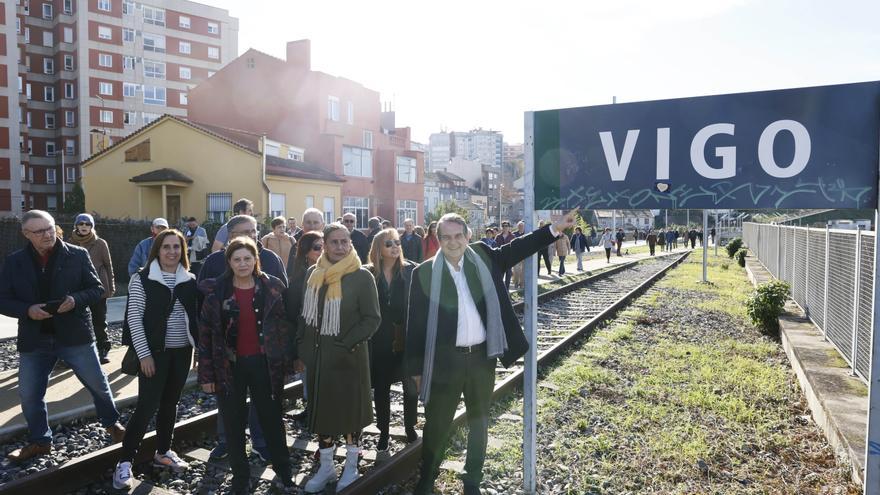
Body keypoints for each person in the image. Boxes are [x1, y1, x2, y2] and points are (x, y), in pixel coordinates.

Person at [406, 210, 577, 495]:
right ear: (438, 240)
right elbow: (415, 327)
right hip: (444, 364)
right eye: (446, 237)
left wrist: (553, 229)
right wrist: (415, 370)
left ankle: (472, 479)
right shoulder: (423, 273)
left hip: (481, 360)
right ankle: (427, 478)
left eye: (458, 235)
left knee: (479, 423)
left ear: (467, 236)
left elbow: (518, 247)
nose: (453, 242)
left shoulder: (483, 256)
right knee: (437, 424)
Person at [0, 210, 125, 462]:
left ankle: (114, 426)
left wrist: (75, 300)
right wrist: (27, 310)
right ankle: (40, 441)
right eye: (39, 231)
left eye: (49, 228)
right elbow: (3, 299)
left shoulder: (77, 255)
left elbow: (95, 289)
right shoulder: (15, 261)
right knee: (29, 394)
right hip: (35, 340)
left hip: (75, 336)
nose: (47, 234)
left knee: (98, 384)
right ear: (26, 234)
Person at [198, 237, 294, 494]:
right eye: (237, 259)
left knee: (272, 419)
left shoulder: (271, 287)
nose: (242, 264)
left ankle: (284, 472)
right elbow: (205, 335)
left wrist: (287, 362)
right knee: (233, 423)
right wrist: (206, 374)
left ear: (255, 260)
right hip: (230, 368)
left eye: (247, 258)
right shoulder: (216, 292)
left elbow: (283, 328)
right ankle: (240, 477)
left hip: (264, 365)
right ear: (229, 262)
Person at [298, 223, 380, 492]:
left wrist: (346, 343)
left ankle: (352, 466)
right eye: (335, 242)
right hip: (319, 358)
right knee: (323, 414)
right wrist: (303, 347)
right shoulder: (314, 273)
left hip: (349, 358)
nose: (341, 247)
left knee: (349, 415)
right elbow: (305, 315)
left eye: (345, 241)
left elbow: (372, 319)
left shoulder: (361, 276)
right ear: (325, 244)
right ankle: (326, 467)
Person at [113, 229, 198, 490]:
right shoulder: (143, 278)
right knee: (147, 406)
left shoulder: (189, 279)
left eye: (176, 247)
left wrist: (198, 349)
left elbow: (194, 318)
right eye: (166, 247)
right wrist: (144, 354)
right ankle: (124, 463)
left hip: (182, 352)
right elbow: (134, 319)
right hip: (154, 354)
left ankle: (163, 451)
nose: (171, 251)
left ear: (182, 251)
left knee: (170, 403)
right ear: (157, 250)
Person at [364, 229, 419, 451]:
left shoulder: (411, 270)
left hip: (405, 338)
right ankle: (384, 432)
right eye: (389, 243)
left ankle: (410, 427)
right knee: (381, 388)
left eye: (397, 242)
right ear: (378, 248)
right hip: (378, 340)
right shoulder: (368, 274)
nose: (395, 246)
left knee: (410, 387)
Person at [284, 231, 323, 423]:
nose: (322, 250)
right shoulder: (298, 281)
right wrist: (296, 353)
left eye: (325, 245)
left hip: (332, 338)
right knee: (309, 377)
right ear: (306, 252)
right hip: (308, 339)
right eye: (317, 247)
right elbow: (291, 317)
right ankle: (312, 410)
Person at [68, 213, 116, 364]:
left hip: (97, 286)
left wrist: (111, 285)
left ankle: (103, 349)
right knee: (78, 321)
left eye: (87, 224)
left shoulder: (100, 243)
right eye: (81, 223)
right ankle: (79, 352)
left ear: (92, 227)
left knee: (99, 320)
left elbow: (108, 265)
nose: (84, 226)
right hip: (77, 288)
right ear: (76, 225)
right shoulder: (69, 242)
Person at [494, 222, 516, 289]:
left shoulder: (512, 236)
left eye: (506, 226)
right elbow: (495, 247)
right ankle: (501, 290)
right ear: (502, 227)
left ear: (509, 227)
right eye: (503, 226)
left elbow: (515, 247)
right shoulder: (498, 236)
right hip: (500, 259)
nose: (505, 227)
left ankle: (507, 289)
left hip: (509, 258)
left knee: (508, 274)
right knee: (500, 275)